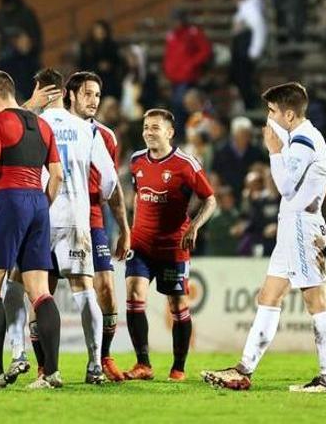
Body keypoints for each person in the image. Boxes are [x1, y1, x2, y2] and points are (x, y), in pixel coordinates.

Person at [202, 82, 326, 393]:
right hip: (292, 228)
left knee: (316, 300)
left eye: (272, 111)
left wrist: (275, 152)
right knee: (268, 296)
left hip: (303, 228)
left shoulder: (304, 139)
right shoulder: (300, 137)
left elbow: (286, 186)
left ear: (288, 115)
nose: (268, 118)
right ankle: (243, 369)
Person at [0, 70, 64, 390]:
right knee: (40, 291)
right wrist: (40, 206)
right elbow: (57, 176)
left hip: (7, 200)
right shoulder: (43, 125)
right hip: (38, 203)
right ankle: (52, 373)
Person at [31, 69, 119, 384]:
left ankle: (44, 369)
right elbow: (109, 180)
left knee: (41, 293)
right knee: (85, 291)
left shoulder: (34, 124)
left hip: (42, 217)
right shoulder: (86, 129)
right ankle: (95, 365)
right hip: (78, 218)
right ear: (66, 93)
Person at [124, 108, 217, 382]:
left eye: (155, 127)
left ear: (169, 132)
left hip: (172, 248)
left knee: (177, 306)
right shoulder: (136, 161)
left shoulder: (186, 164)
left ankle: (178, 368)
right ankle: (143, 364)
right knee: (134, 294)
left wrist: (194, 226)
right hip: (141, 244)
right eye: (146, 127)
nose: (148, 132)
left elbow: (210, 200)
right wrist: (131, 228)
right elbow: (138, 197)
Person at [66, 71, 132, 381]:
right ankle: (42, 364)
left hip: (93, 218)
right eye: (88, 94)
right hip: (57, 217)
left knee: (106, 287)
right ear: (72, 96)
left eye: (97, 95)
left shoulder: (105, 136)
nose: (93, 101)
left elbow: (112, 185)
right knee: (43, 289)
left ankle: (103, 358)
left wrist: (124, 228)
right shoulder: (52, 127)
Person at [162, 10, 212, 123]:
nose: (173, 23)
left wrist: (191, 64)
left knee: (181, 103)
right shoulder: (171, 35)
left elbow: (205, 50)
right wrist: (167, 70)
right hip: (174, 77)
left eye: (175, 20)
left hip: (187, 77)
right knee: (175, 105)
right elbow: (168, 55)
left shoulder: (193, 32)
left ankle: (186, 130)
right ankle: (182, 132)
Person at [230, 0, 268, 109]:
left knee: (246, 80)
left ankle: (250, 105)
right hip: (241, 50)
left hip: (245, 51)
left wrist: (254, 51)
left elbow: (259, 27)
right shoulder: (245, 6)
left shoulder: (250, 7)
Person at [78, 20, 123, 98]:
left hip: (109, 78)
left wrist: (109, 65)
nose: (99, 32)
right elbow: (82, 64)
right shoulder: (86, 47)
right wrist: (97, 66)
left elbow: (117, 61)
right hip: (92, 77)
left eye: (101, 30)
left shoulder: (112, 46)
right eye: (97, 30)